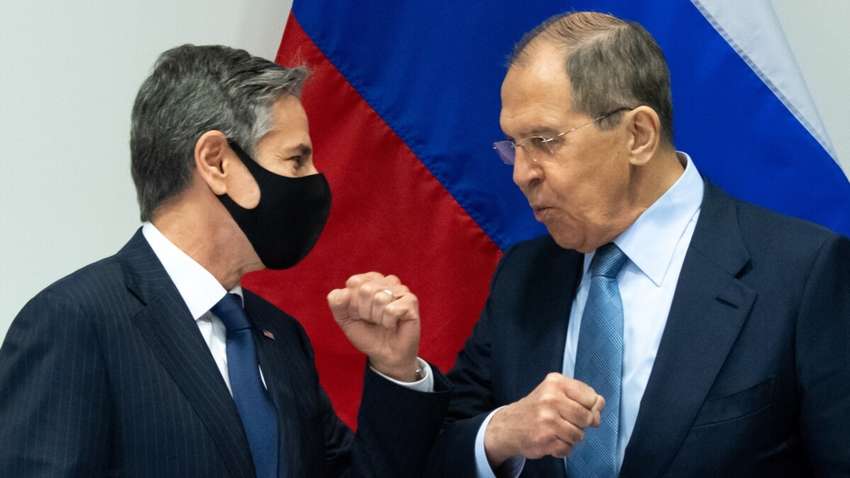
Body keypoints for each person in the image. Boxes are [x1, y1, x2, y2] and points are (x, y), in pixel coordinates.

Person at [426, 11, 850, 478]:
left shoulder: (802, 273)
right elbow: (440, 451)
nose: (521, 174)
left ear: (638, 136)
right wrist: (501, 433)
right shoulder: (523, 276)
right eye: (514, 145)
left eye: (544, 141)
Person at [0, 44, 449, 477]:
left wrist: (395, 370)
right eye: (296, 160)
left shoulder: (280, 336)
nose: (315, 179)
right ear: (216, 162)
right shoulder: (75, 321)